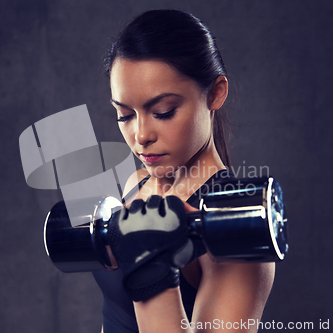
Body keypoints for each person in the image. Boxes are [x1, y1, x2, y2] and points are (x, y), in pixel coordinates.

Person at [92, 9, 275, 332]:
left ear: (216, 93)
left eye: (163, 111)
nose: (141, 135)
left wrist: (154, 277)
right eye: (124, 115)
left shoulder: (235, 228)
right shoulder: (138, 185)